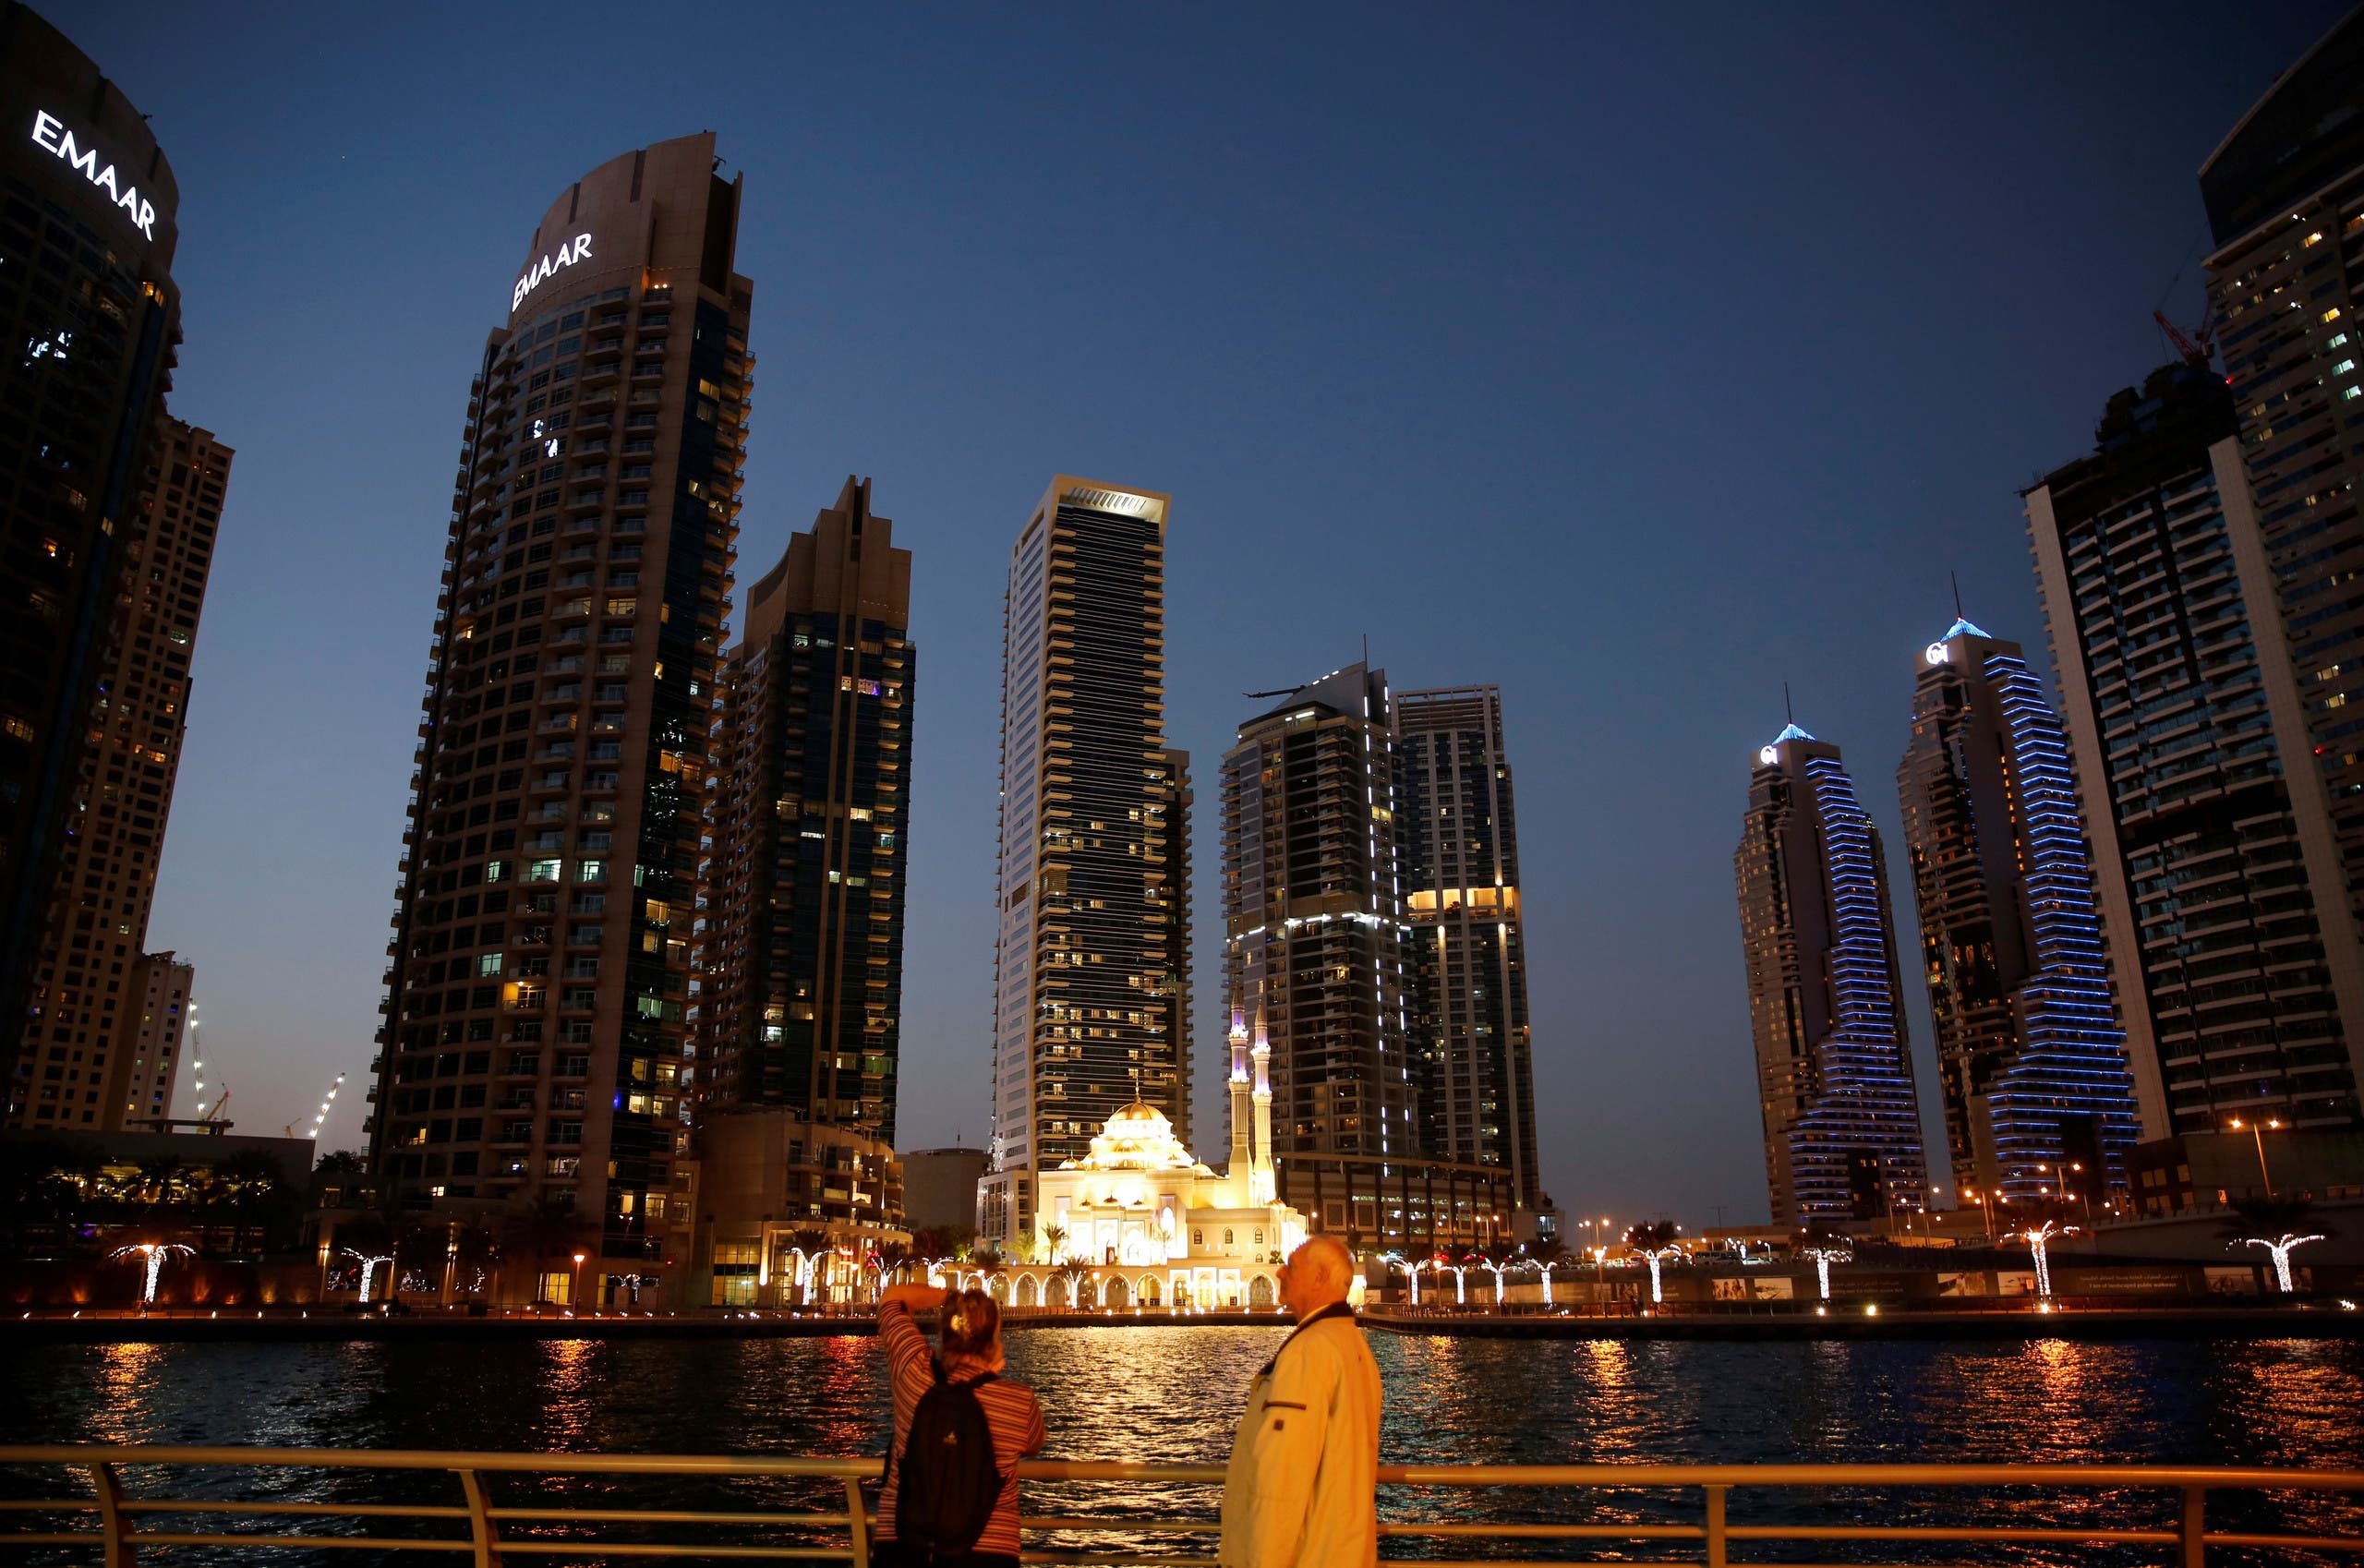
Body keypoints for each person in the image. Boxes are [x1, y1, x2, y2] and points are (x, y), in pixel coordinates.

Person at [1218, 1235, 1381, 1568]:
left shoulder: (1309, 1351)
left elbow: (1281, 1481)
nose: (1279, 1272)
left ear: (1319, 1278)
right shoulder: (1354, 1346)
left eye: (1291, 1266)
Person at [874, 1279, 1047, 1568]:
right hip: (987, 1553)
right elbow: (1034, 1444)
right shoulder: (1017, 1400)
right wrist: (988, 1375)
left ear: (945, 1331)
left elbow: (893, 1297)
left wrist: (953, 1298)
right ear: (994, 1338)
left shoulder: (911, 1370)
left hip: (903, 1547)